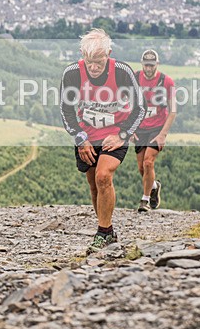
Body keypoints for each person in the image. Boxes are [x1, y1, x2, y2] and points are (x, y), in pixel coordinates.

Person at [60, 29, 145, 254]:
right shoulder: (72, 74)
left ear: (109, 53)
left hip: (115, 134)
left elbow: (140, 107)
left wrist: (123, 134)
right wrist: (80, 138)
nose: (94, 67)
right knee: (93, 183)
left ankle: (102, 233)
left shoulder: (122, 72)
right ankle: (108, 231)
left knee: (103, 176)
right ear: (82, 55)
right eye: (89, 61)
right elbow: (66, 111)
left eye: (99, 61)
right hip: (87, 135)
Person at [132, 49, 177, 212]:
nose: (149, 68)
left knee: (148, 162)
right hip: (140, 127)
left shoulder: (166, 81)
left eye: (152, 65)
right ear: (142, 64)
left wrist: (163, 134)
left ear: (157, 64)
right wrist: (130, 128)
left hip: (157, 127)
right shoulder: (135, 78)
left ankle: (144, 200)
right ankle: (154, 186)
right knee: (141, 168)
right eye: (146, 65)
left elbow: (173, 111)